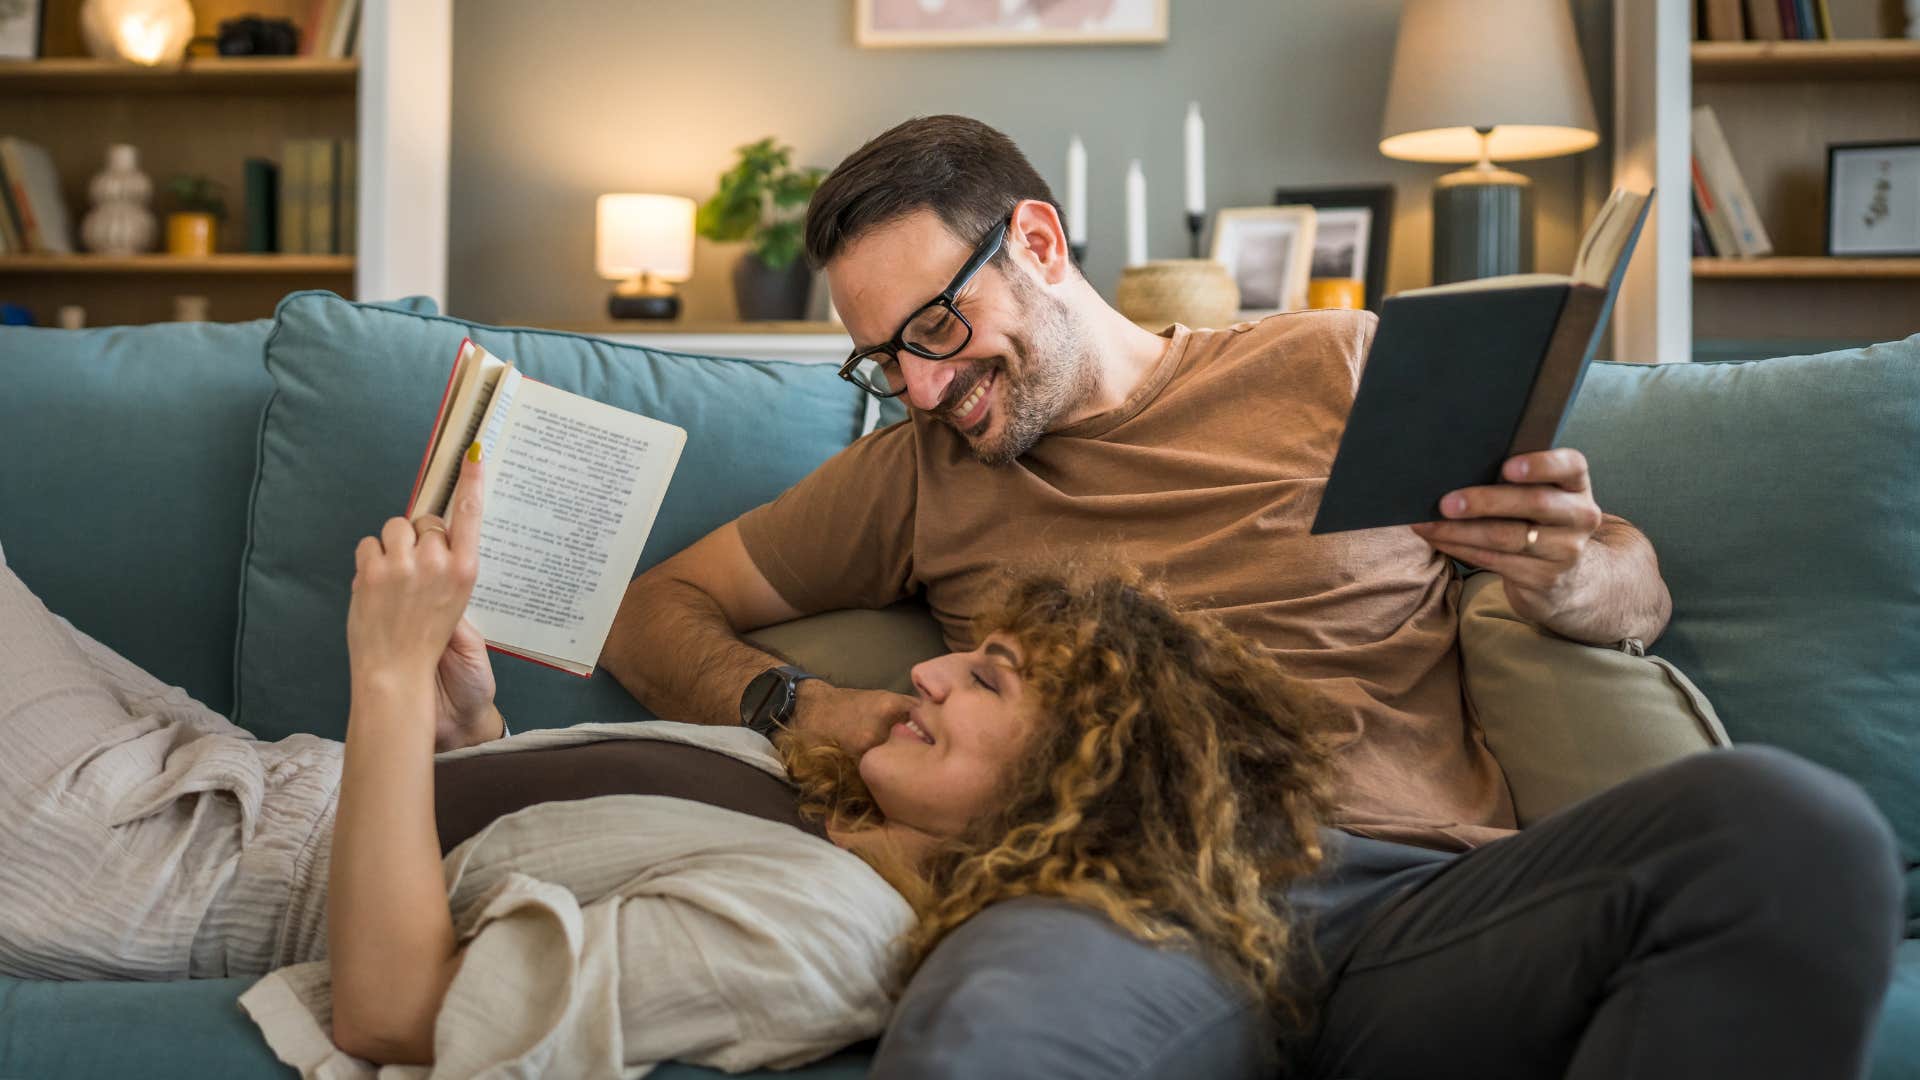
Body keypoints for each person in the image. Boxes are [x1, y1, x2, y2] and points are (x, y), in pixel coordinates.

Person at [597, 115, 1906, 1077]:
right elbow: (651, 606)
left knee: (1793, 830)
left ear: (1038, 244)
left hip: (1416, 904)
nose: (925, 387)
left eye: (936, 330)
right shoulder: (919, 473)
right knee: (983, 1046)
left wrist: (1578, 574)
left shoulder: (1334, 365)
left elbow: (1635, 584)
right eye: (886, 361)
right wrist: (792, 704)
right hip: (1120, 913)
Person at [0, 445, 1337, 1075]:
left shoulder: (817, 939)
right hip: (235, 773)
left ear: (1067, 794)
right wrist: (471, 725)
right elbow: (528, 856)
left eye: (985, 681)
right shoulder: (839, 809)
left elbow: (397, 1017)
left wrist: (393, 678)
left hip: (156, 864)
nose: (927, 669)